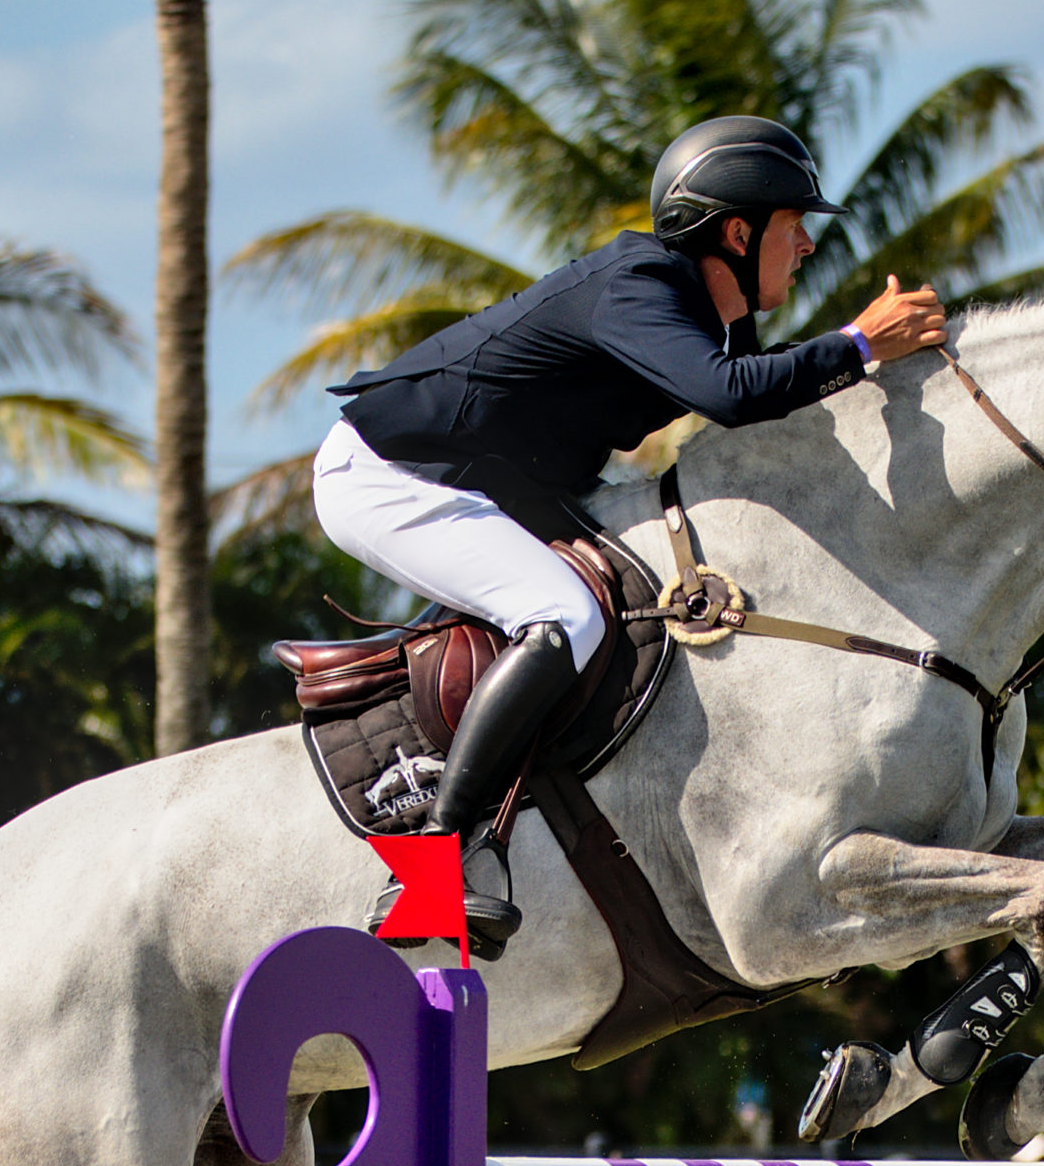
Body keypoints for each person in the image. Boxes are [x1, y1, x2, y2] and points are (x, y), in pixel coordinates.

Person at [313, 114, 949, 958]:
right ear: (737, 231)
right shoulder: (642, 285)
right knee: (564, 616)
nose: (805, 247)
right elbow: (730, 397)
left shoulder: (714, 311)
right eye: (794, 227)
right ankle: (429, 866)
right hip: (393, 476)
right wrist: (861, 342)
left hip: (507, 478)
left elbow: (760, 394)